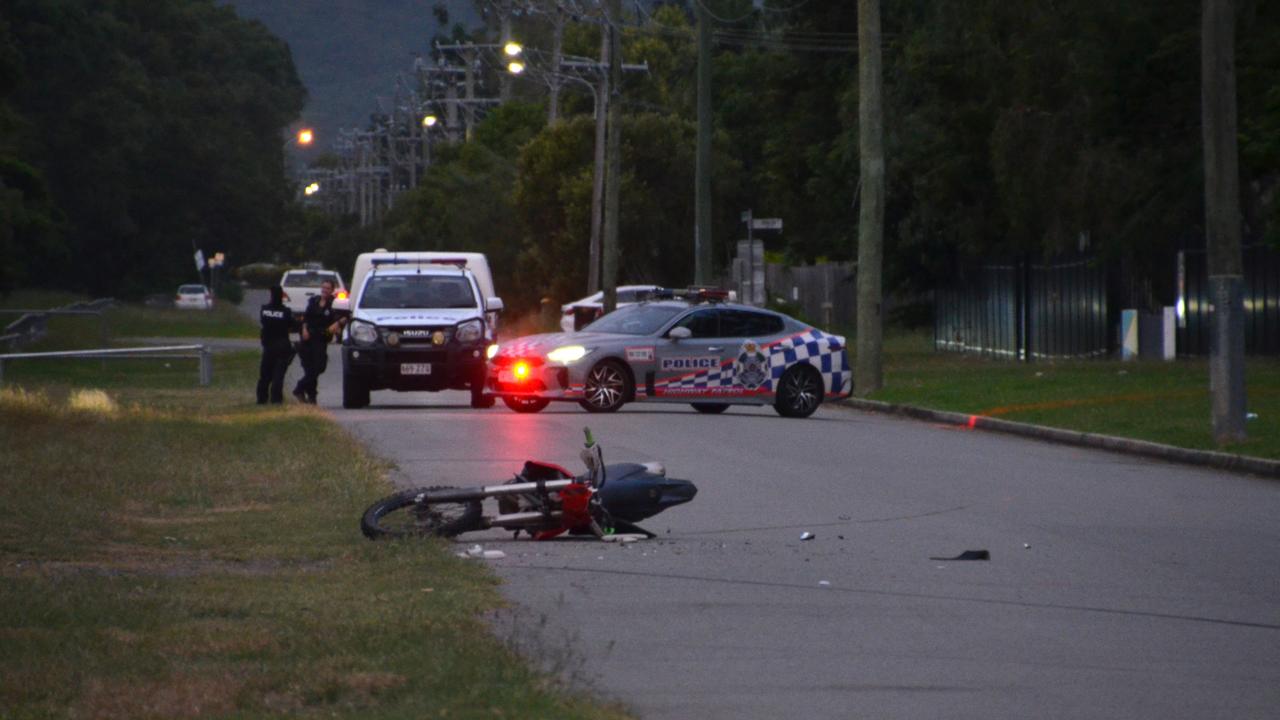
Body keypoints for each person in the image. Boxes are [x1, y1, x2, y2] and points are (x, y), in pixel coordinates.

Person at [293, 279, 347, 403]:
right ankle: (311, 397)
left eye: (328, 288)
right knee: (309, 368)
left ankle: (299, 388)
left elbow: (344, 318)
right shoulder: (314, 301)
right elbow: (305, 317)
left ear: (332, 290)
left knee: (319, 367)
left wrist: (337, 324)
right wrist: (304, 329)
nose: (324, 290)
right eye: (323, 287)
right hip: (307, 337)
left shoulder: (334, 304)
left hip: (321, 338)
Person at [257, 285, 296, 404]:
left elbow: (263, 322)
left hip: (268, 346)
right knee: (278, 375)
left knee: (265, 374)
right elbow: (291, 325)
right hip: (282, 346)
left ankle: (262, 398)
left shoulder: (264, 310)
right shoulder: (286, 312)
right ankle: (276, 399)